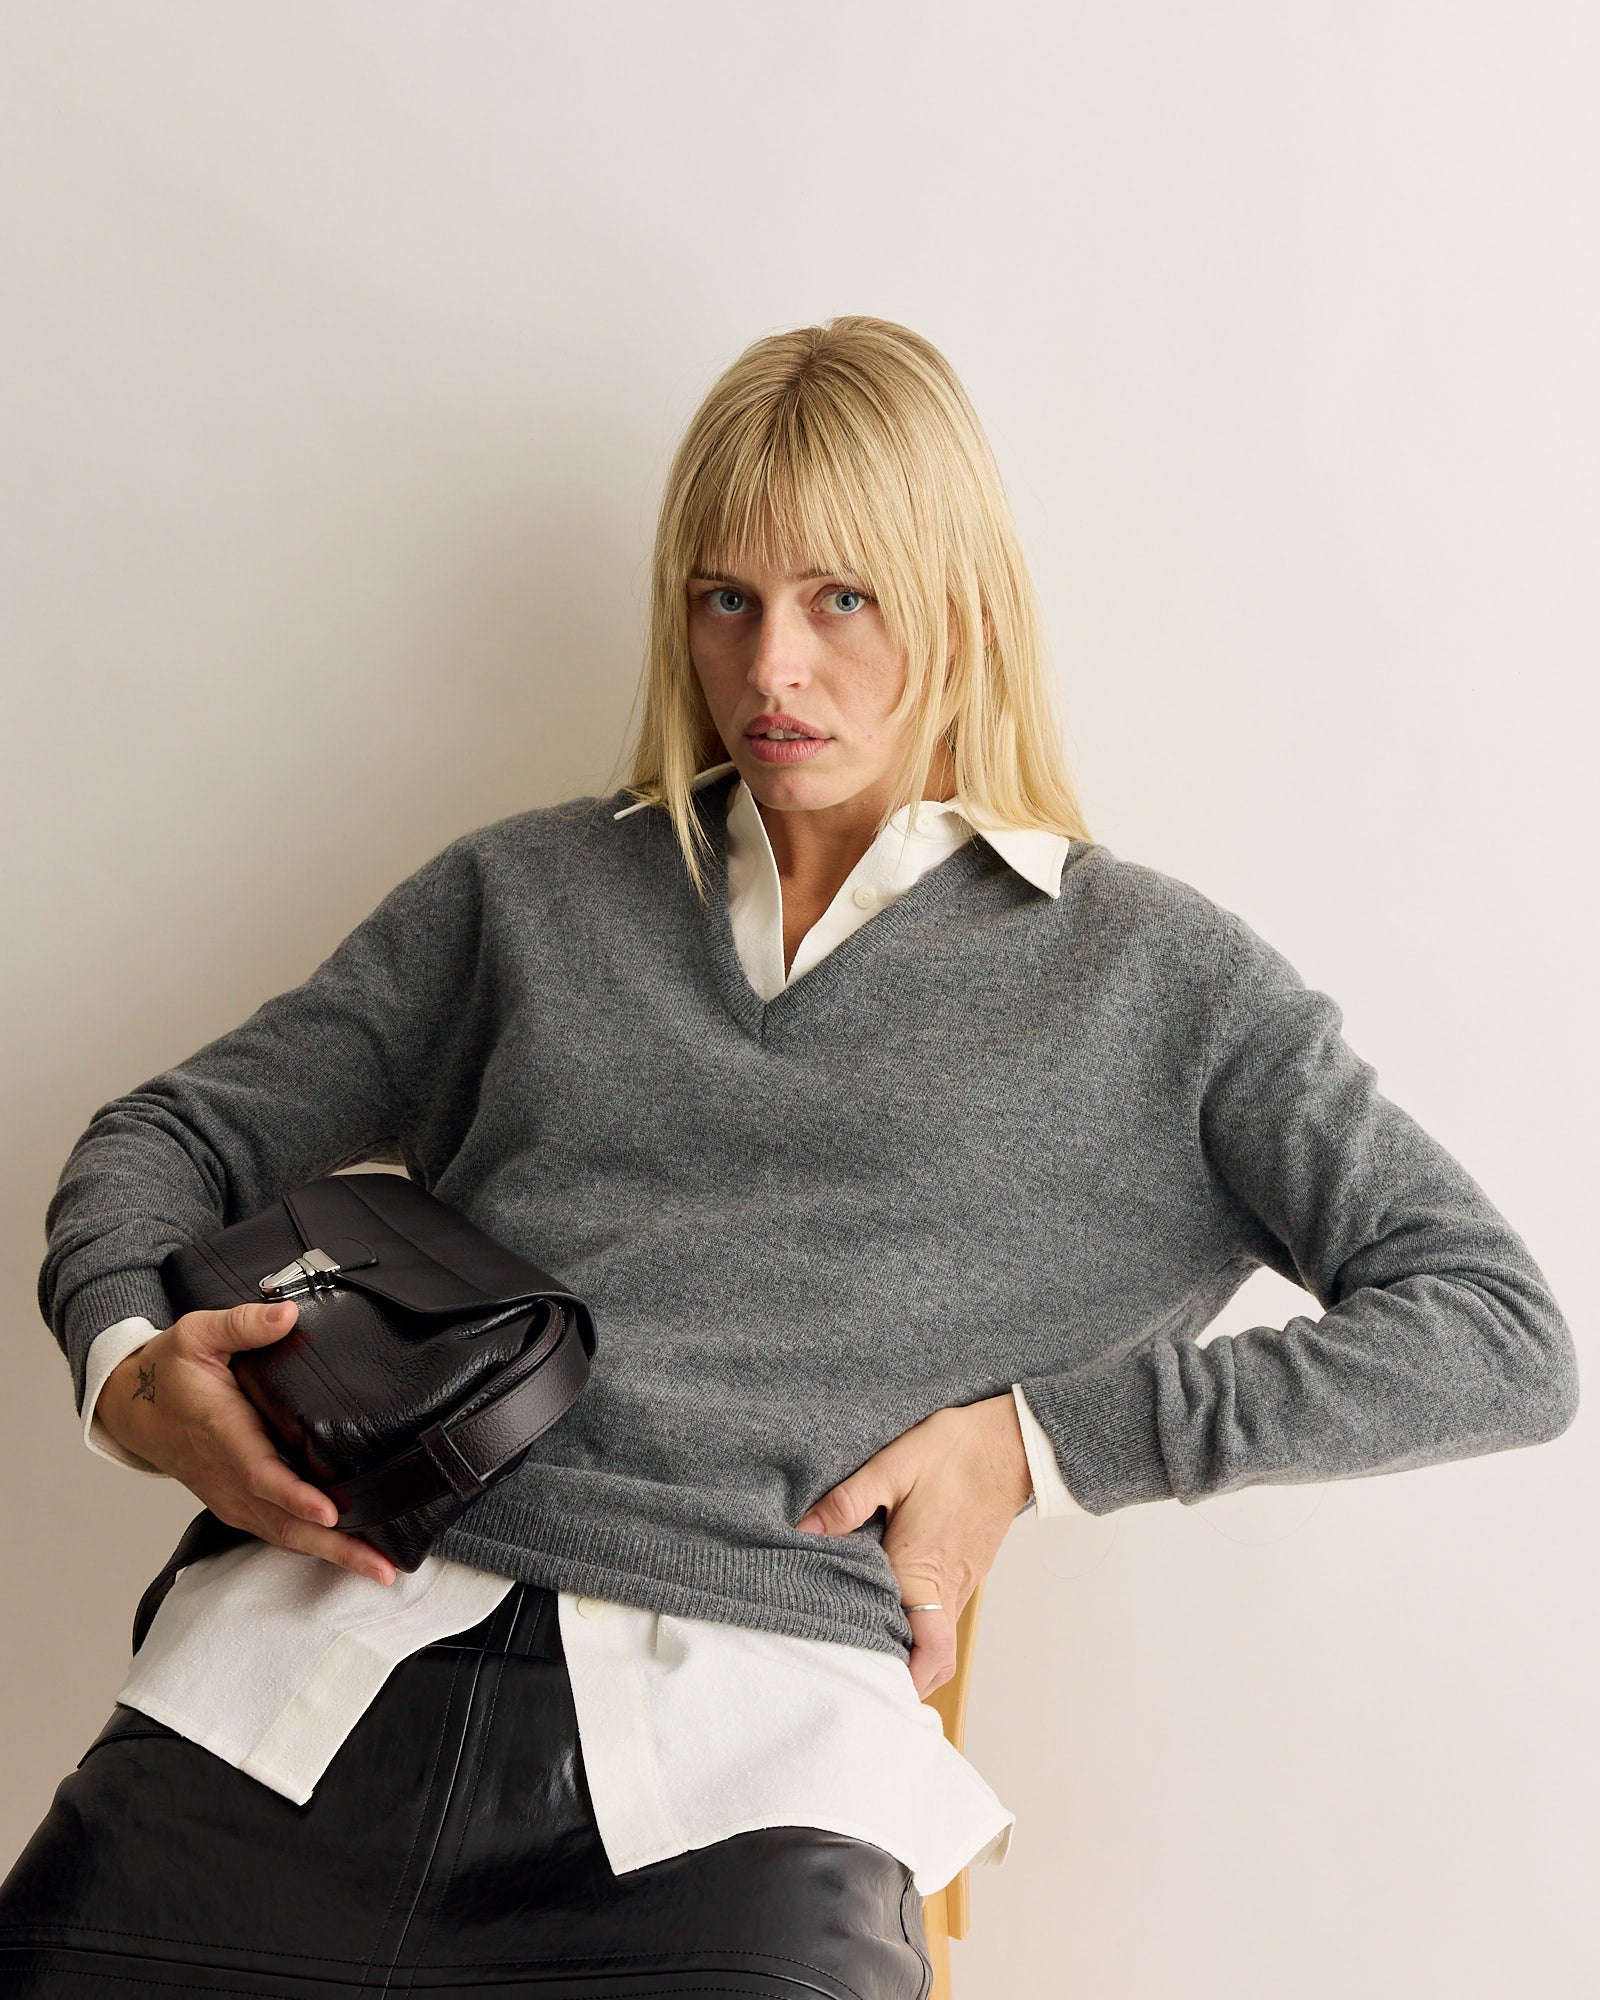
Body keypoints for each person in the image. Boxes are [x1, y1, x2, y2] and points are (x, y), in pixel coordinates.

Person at [1, 315, 1578, 1999]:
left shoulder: (1161, 984)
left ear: (966, 608)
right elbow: (168, 1138)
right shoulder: (526, 894)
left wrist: (1031, 1442)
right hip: (312, 1671)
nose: (772, 673)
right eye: (725, 600)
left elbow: (1497, 1333)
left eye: (844, 599)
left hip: (752, 1750)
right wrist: (131, 1369)